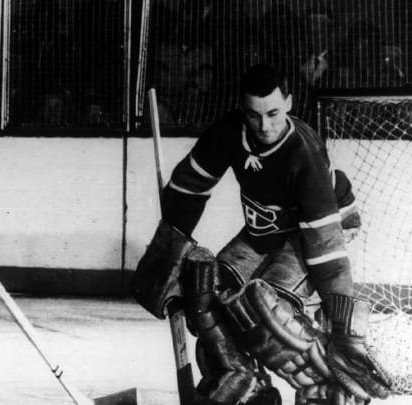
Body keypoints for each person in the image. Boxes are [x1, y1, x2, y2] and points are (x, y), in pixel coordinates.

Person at [132, 64, 393, 405]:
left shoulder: (304, 153)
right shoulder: (228, 133)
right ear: (243, 110)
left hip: (318, 225)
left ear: (288, 102)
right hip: (266, 229)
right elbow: (187, 189)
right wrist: (169, 248)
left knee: (264, 312)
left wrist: (344, 327)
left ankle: (330, 390)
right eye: (254, 116)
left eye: (272, 113)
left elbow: (326, 251)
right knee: (208, 292)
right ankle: (245, 384)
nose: (264, 125)